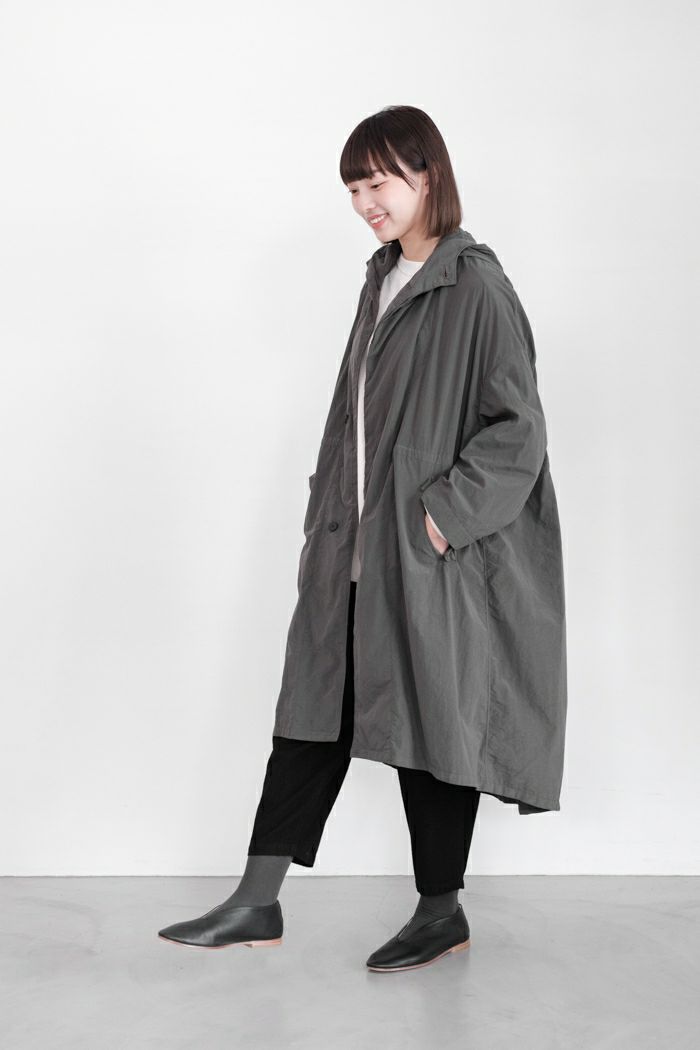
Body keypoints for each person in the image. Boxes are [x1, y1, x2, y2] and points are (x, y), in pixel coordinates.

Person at [158, 105, 568, 973]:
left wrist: (441, 518)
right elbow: (355, 418)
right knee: (312, 709)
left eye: (376, 183)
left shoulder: (475, 288)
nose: (364, 203)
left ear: (427, 175)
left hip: (421, 558)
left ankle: (441, 911)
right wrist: (327, 517)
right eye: (352, 189)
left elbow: (518, 430)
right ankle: (257, 898)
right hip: (353, 548)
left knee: (431, 726)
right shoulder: (380, 278)